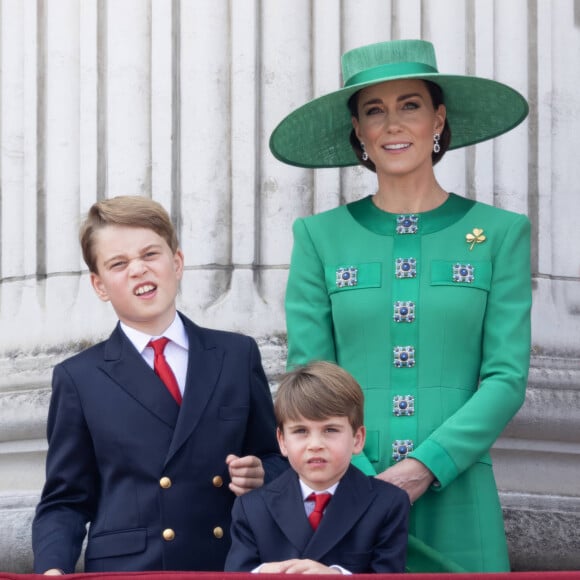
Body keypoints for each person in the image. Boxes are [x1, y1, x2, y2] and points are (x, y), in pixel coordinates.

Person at [270, 39, 532, 572]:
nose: (392, 124)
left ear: (437, 118)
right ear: (358, 132)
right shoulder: (319, 237)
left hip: (458, 495)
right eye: (374, 110)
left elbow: (505, 376)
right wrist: (361, 475)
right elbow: (311, 378)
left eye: (409, 105)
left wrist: (423, 467)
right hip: (350, 495)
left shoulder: (501, 234)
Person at [32, 195, 286, 573]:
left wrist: (264, 472)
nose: (138, 269)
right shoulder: (78, 377)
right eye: (118, 263)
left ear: (177, 262)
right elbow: (66, 499)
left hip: (227, 560)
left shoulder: (236, 355)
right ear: (99, 285)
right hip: (131, 569)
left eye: (150, 254)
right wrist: (52, 567)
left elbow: (279, 457)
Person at [224, 360, 410, 574]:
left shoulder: (388, 504)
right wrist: (262, 574)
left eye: (330, 430)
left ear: (358, 439)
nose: (315, 445)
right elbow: (237, 572)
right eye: (301, 431)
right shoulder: (252, 508)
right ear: (282, 441)